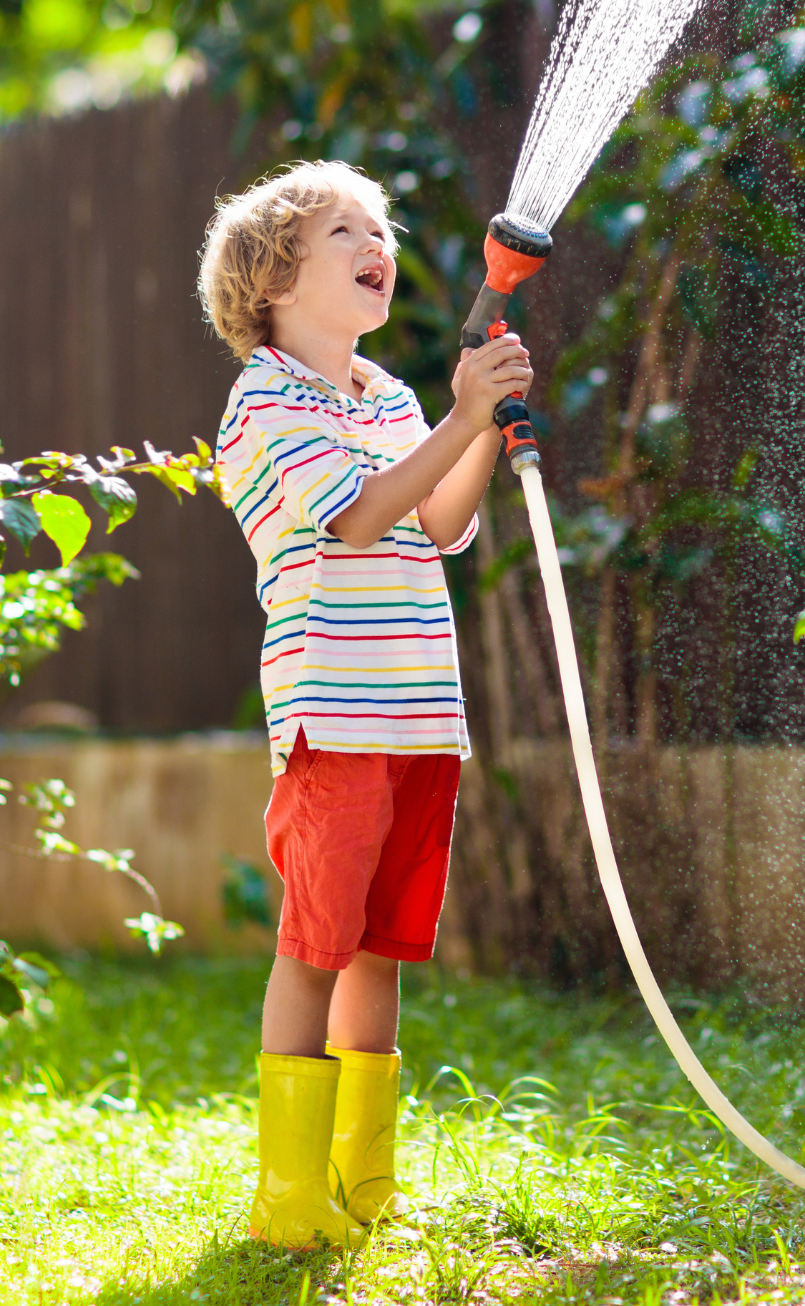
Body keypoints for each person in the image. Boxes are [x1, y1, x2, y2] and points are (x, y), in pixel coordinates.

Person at [201, 160, 532, 1249]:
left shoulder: (386, 397)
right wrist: (461, 413)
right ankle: (288, 1197)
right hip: (334, 717)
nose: (374, 241)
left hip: (417, 715)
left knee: (380, 948)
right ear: (273, 281)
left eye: (379, 227)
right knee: (315, 945)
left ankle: (364, 1181)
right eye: (346, 227)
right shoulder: (265, 398)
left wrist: (479, 424)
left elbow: (437, 522)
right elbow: (353, 516)